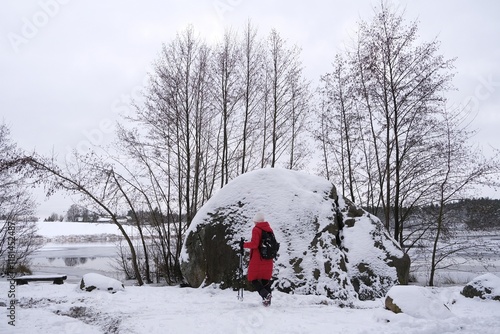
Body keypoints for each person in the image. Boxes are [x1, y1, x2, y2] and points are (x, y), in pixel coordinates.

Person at [240, 212, 274, 306]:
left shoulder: (256, 229)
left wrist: (244, 245)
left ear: (256, 221)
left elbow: (254, 244)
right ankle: (267, 300)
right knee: (265, 279)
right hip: (268, 258)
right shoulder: (269, 229)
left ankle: (265, 295)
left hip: (258, 259)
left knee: (253, 278)